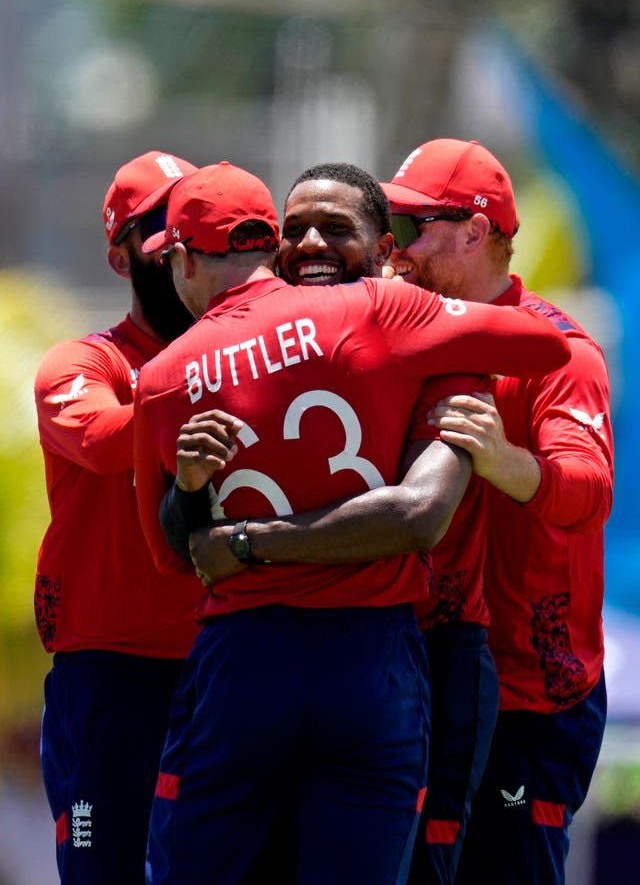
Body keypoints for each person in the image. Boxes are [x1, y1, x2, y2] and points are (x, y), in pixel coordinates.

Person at [133, 160, 571, 885]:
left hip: (312, 657)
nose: (310, 244)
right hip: (371, 662)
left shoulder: (168, 371)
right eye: (295, 230)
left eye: (335, 229)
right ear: (269, 246)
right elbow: (543, 344)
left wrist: (247, 540)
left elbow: (185, 552)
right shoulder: (397, 316)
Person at [381, 138, 613, 885]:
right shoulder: (404, 334)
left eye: (419, 225)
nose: (400, 246)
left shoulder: (559, 351)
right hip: (429, 676)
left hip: (530, 697)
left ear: (477, 232)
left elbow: (588, 489)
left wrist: (502, 455)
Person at [34, 150, 205, 885]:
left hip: (222, 666)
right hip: (109, 682)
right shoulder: (83, 362)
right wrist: (216, 391)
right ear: (118, 256)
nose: (175, 240)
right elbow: (107, 443)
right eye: (155, 226)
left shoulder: (244, 356)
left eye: (189, 218)